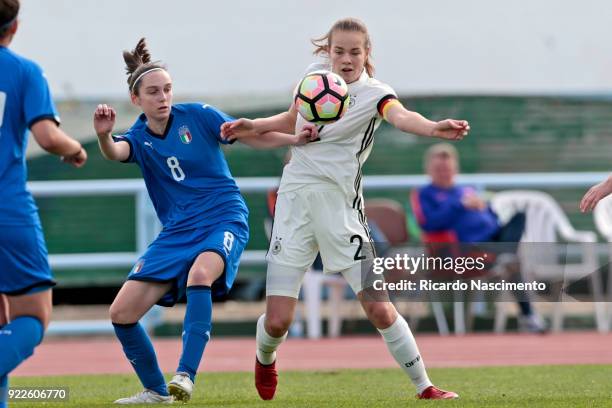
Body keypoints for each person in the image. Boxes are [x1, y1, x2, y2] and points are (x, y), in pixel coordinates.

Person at [222, 18, 469, 400]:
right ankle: (264, 356)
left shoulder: (377, 94)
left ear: (367, 54)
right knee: (277, 320)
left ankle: (425, 386)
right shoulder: (313, 79)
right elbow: (290, 119)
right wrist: (251, 125)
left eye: (355, 51)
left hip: (342, 211)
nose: (347, 59)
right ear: (328, 52)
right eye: (339, 51)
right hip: (295, 203)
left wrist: (434, 128)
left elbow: (402, 117)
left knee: (380, 308)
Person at [94, 38, 316, 405]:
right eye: (153, 92)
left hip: (222, 216)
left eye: (167, 89)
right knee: (121, 312)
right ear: (137, 100)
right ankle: (155, 391)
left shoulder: (198, 115)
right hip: (178, 231)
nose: (163, 97)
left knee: (201, 275)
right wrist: (103, 135)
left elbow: (248, 134)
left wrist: (294, 138)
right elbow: (116, 151)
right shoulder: (138, 137)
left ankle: (186, 374)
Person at [0, 1, 87, 407]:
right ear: (14, 25)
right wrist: (74, 149)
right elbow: (47, 137)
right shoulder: (24, 72)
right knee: (32, 316)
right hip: (6, 209)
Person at [413, 143, 546, 333]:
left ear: (455, 169)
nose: (444, 172)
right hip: (465, 249)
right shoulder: (426, 194)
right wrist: (459, 205)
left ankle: (504, 256)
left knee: (519, 216)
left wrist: (484, 208)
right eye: (439, 169)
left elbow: (492, 217)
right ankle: (528, 315)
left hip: (493, 239)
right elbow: (429, 223)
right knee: (512, 262)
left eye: (447, 168)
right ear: (429, 170)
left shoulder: (466, 189)